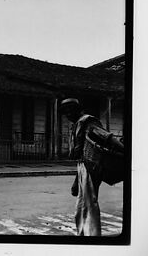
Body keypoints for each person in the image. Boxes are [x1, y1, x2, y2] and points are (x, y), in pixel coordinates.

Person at [61, 98, 105, 236]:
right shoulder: (77, 124)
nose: (68, 114)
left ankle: (92, 236)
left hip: (91, 166)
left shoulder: (89, 122)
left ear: (78, 109)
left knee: (90, 205)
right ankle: (82, 233)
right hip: (83, 166)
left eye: (70, 110)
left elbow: (100, 144)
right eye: (66, 112)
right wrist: (76, 181)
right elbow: (81, 158)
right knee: (81, 206)